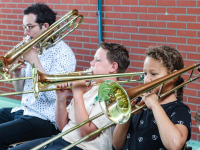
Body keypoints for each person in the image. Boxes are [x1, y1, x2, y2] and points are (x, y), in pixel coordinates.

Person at [10, 42, 130, 150]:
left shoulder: (114, 94)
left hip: (82, 146)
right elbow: (62, 126)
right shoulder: (89, 86)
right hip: (62, 139)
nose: (91, 63)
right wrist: (61, 98)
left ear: (113, 67)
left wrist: (77, 94)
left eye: (97, 60)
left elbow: (86, 134)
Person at [0, 3, 76, 149]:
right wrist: (17, 71)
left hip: (45, 120)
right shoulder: (33, 48)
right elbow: (22, 90)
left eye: (29, 27)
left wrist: (34, 61)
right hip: (24, 110)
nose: (26, 32)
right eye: (24, 27)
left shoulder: (64, 54)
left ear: (45, 26)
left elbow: (54, 95)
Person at [112, 45, 191, 150]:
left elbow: (174, 145)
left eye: (153, 74)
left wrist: (155, 105)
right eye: (145, 73)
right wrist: (126, 115)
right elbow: (117, 145)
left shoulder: (180, 110)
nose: (147, 80)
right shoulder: (139, 103)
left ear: (173, 77)